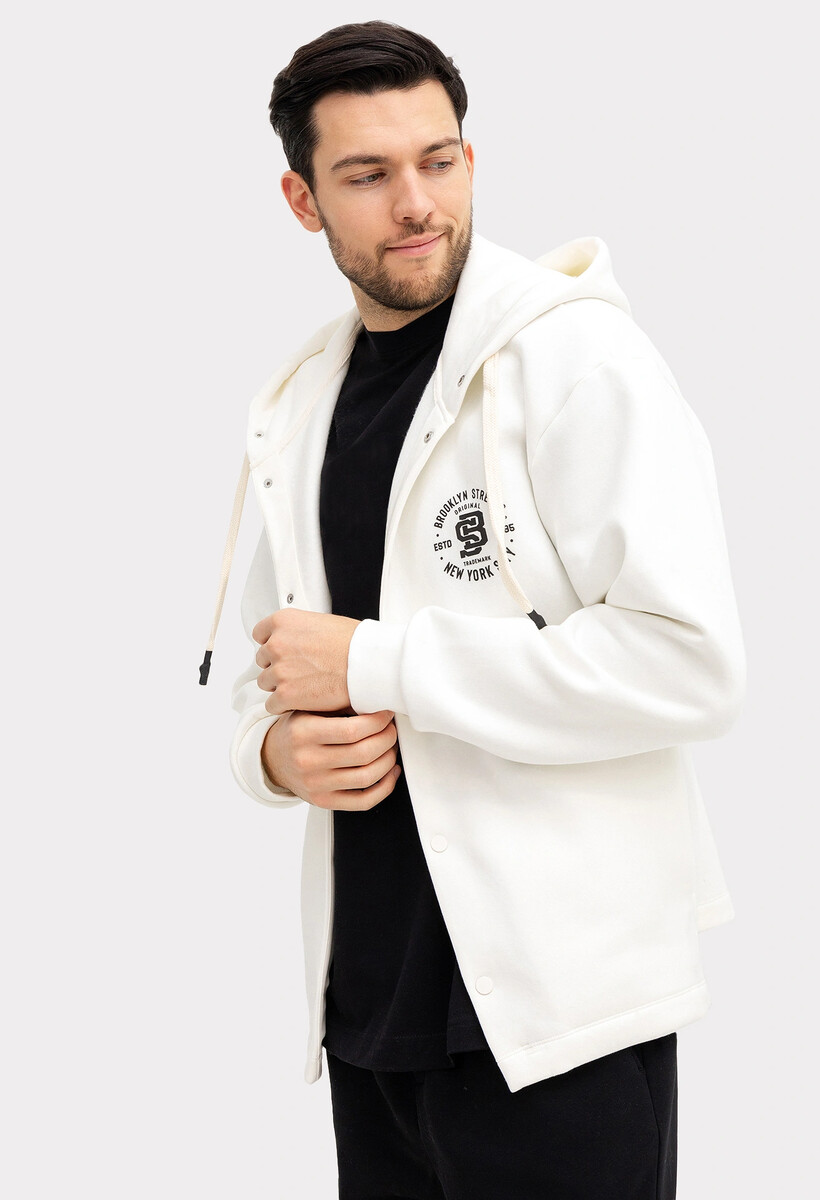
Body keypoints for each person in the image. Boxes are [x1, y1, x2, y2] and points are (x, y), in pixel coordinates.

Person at [202, 19, 745, 1199]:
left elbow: (691, 663)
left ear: (469, 157)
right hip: (368, 1013)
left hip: (557, 1019)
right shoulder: (300, 405)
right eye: (367, 174)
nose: (416, 204)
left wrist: (382, 663)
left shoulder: (576, 361)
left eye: (438, 161)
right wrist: (277, 757)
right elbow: (277, 668)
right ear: (302, 200)